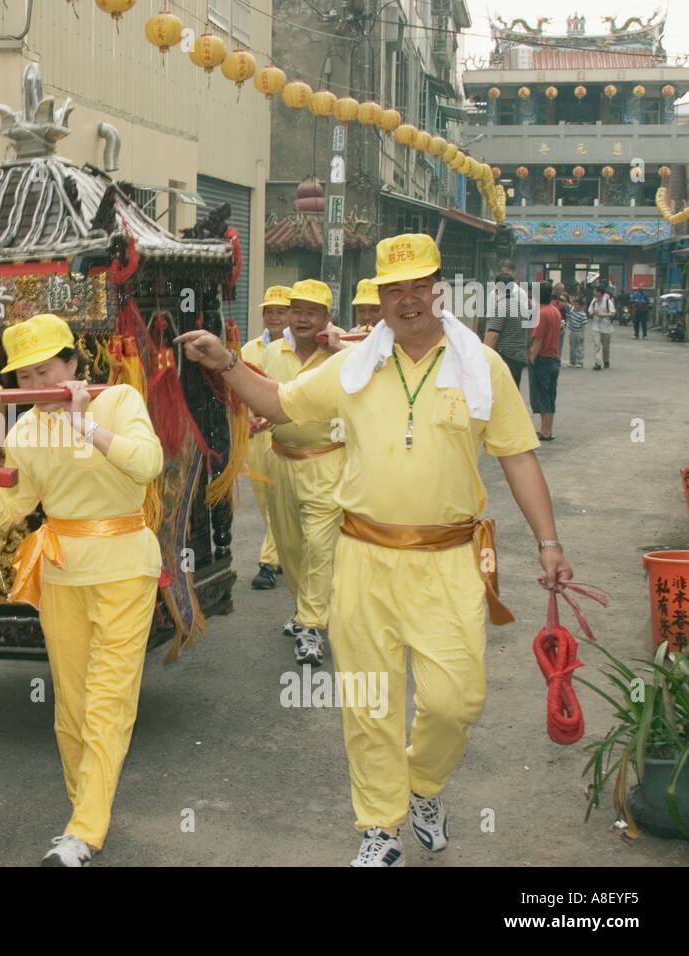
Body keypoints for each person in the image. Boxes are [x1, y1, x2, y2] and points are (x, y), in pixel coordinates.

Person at [177, 233, 572, 867]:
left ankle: (424, 787)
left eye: (420, 286)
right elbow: (279, 403)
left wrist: (549, 542)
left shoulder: (480, 366)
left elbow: (519, 457)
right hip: (362, 553)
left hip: (449, 559)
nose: (409, 299)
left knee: (456, 699)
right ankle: (379, 828)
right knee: (368, 700)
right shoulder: (354, 366)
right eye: (395, 289)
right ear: (380, 298)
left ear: (438, 289)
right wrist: (225, 362)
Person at [0, 313, 163, 866]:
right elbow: (13, 508)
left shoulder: (118, 400)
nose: (35, 386)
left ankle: (84, 829)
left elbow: (148, 464)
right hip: (61, 569)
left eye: (46, 369)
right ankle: (86, 818)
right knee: (72, 705)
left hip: (126, 565)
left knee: (108, 702)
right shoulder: (21, 428)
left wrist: (84, 425)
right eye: (23, 377)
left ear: (74, 364)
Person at [257, 279, 348, 666]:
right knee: (290, 544)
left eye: (312, 312)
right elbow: (251, 392)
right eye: (297, 310)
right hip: (280, 459)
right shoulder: (269, 352)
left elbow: (381, 372)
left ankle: (312, 626)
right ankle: (303, 609)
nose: (301, 318)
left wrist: (342, 348)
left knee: (318, 544)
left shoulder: (345, 350)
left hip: (327, 462)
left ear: (327, 317)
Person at [240, 286, 292, 591]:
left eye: (281, 311)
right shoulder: (250, 350)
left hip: (289, 434)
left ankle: (269, 562)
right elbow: (241, 389)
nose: (274, 317)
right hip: (257, 436)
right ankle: (285, 552)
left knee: (280, 498)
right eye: (269, 311)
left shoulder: (304, 349)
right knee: (266, 500)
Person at [483, 259, 531, 388]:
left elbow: (492, 335)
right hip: (518, 357)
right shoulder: (520, 307)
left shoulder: (502, 306)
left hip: (505, 357)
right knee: (513, 394)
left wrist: (484, 358)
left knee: (501, 395)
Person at [528, 285, 562, 441]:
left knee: (541, 395)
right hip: (554, 357)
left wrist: (531, 357)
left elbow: (538, 340)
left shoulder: (541, 314)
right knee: (549, 395)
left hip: (543, 359)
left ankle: (545, 431)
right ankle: (547, 429)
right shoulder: (555, 311)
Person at [588, 280, 615, 369]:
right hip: (596, 327)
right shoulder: (594, 301)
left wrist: (603, 315)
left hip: (606, 327)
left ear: (600, 292)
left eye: (595, 291)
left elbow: (613, 313)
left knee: (605, 346)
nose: (594, 293)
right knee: (597, 345)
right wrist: (593, 313)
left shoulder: (608, 302)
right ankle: (598, 363)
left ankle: (606, 360)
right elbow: (590, 312)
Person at [562, 289, 587, 367]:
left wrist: (582, 335)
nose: (575, 306)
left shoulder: (583, 315)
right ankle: (572, 361)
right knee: (572, 346)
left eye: (577, 304)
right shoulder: (572, 310)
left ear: (581, 306)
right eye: (574, 304)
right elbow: (567, 306)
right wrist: (567, 299)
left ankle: (579, 362)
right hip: (572, 331)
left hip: (579, 332)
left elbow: (583, 326)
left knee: (579, 347)